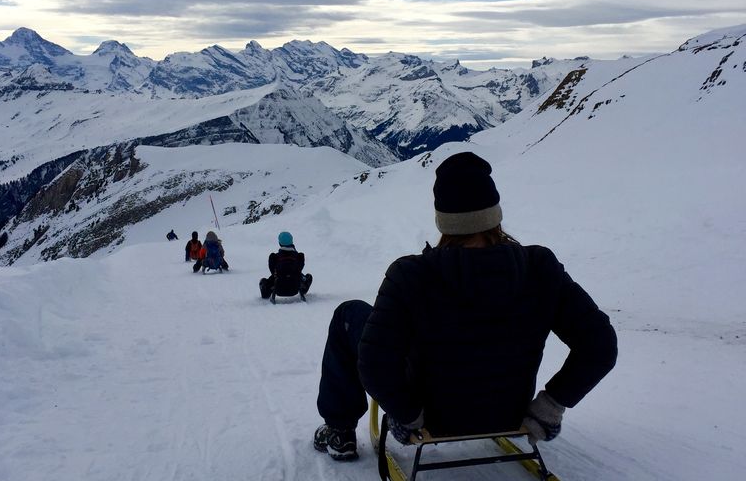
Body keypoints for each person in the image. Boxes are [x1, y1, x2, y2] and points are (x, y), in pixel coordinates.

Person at [313, 152, 617, 461]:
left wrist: (406, 414)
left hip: (430, 417)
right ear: (494, 214)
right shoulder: (540, 267)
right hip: (510, 414)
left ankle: (339, 430)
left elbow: (374, 362)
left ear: (443, 219)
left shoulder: (410, 274)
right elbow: (600, 344)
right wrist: (551, 406)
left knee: (349, 314)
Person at [259, 231, 313, 300]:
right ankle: (303, 289)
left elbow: (272, 271)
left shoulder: (273, 257)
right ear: (292, 242)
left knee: (263, 281)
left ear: (280, 243)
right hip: (295, 288)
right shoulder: (299, 257)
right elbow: (299, 269)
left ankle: (266, 293)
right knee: (308, 277)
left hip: (278, 288)